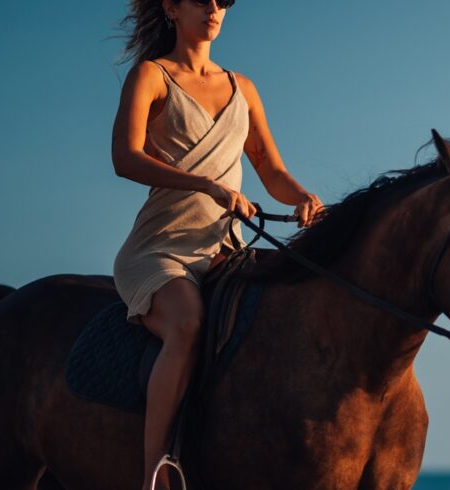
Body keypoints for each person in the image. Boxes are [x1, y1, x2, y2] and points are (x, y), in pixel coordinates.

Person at [111, 1, 324, 488]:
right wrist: (206, 185)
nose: (213, 8)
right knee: (186, 323)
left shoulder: (241, 87)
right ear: (171, 7)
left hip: (225, 250)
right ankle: (155, 473)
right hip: (160, 250)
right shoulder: (151, 75)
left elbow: (271, 172)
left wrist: (305, 198)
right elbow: (125, 157)